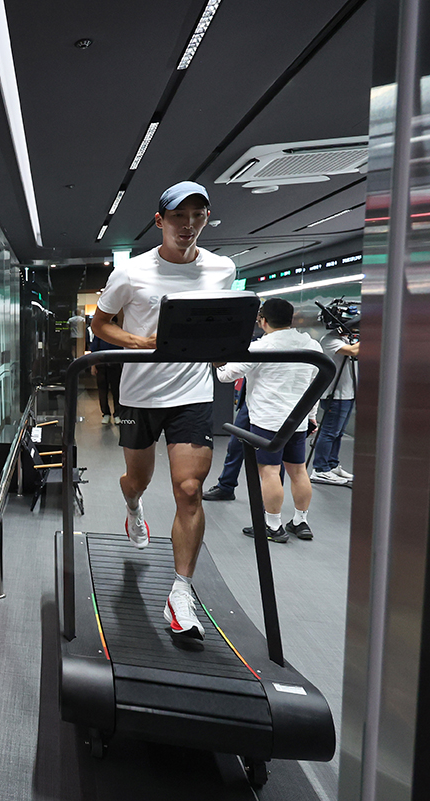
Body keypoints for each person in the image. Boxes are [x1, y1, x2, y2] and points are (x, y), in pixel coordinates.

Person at [90, 181, 236, 641]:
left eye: (198, 215)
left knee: (190, 489)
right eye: (178, 216)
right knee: (139, 479)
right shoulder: (131, 273)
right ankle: (132, 506)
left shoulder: (222, 269)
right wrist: (143, 343)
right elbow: (101, 325)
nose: (188, 225)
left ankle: (180, 591)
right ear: (160, 221)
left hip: (192, 394)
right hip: (138, 397)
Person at [216, 298, 322, 542]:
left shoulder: (261, 347)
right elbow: (317, 386)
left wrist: (217, 362)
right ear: (291, 319)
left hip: (268, 421)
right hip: (298, 420)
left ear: (262, 321)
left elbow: (227, 376)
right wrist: (312, 415)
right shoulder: (312, 346)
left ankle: (273, 527)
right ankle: (300, 521)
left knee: (270, 472)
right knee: (298, 471)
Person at [309, 329, 359, 485]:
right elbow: (352, 351)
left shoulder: (345, 339)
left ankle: (332, 464)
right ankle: (320, 469)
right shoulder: (329, 340)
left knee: (338, 433)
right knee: (329, 432)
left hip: (348, 393)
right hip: (335, 395)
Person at [90, 320, 122, 424]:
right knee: (102, 391)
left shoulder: (118, 332)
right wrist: (93, 366)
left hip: (115, 364)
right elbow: (94, 350)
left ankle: (117, 414)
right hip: (101, 364)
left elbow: (121, 349)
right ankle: (106, 414)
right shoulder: (100, 332)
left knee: (116, 390)